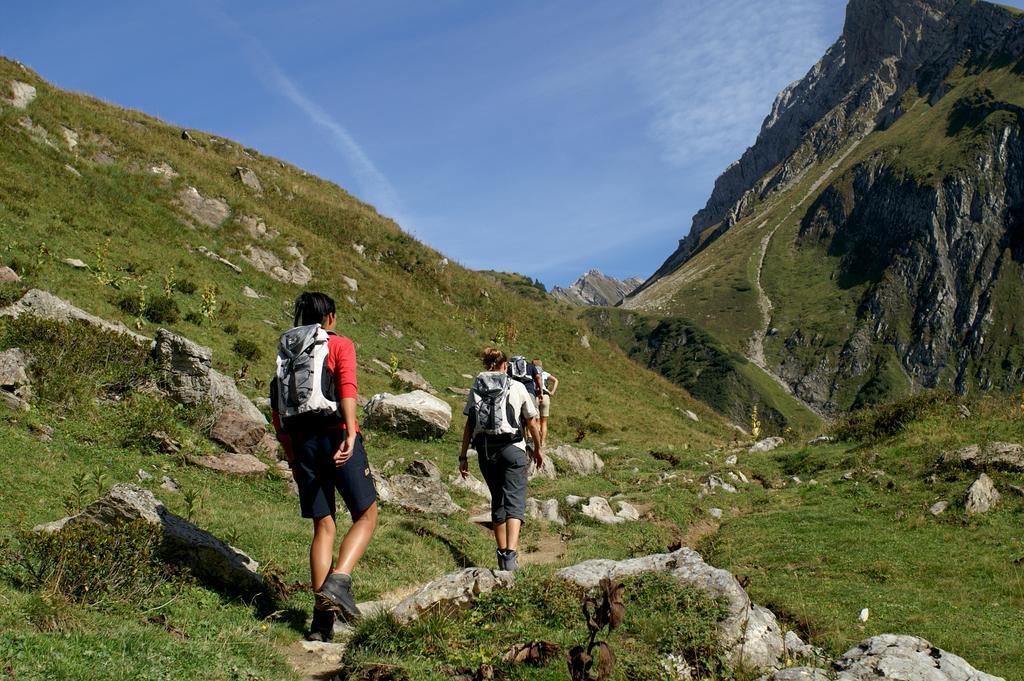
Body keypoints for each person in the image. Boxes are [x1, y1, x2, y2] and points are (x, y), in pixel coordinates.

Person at [271, 292, 378, 642]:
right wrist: (350, 432)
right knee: (366, 516)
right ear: (329, 317)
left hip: (303, 443)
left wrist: (291, 454)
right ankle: (340, 580)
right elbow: (347, 388)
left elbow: (277, 407)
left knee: (324, 527)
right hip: (335, 434)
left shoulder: (287, 352)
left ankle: (321, 624)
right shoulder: (339, 345)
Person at [460, 348, 543, 571]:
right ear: (505, 366)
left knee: (497, 499)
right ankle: (510, 556)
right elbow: (532, 422)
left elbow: (469, 424)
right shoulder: (516, 386)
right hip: (513, 449)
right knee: (515, 500)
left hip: (486, 451)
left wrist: (463, 456)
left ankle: (500, 555)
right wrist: (537, 449)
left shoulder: (477, 387)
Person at [533, 358, 559, 447]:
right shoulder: (544, 373)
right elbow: (556, 380)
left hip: (536, 396)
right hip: (546, 396)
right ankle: (542, 442)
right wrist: (552, 392)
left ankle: (535, 440)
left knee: (537, 421)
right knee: (544, 422)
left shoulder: (532, 373)